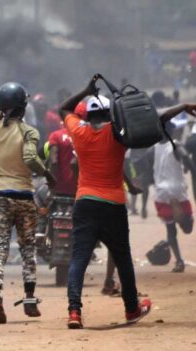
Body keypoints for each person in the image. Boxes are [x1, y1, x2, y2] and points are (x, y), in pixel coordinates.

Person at [60, 75, 151, 329]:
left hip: (85, 202)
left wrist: (85, 90)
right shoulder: (119, 134)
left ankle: (74, 312)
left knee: (79, 258)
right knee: (122, 257)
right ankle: (132, 309)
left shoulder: (78, 131)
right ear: (110, 114)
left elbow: (64, 108)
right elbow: (149, 120)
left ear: (87, 116)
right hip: (113, 204)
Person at [0, 83, 56, 324]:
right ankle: (29, 300)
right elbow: (29, 158)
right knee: (27, 249)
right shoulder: (29, 132)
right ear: (24, 107)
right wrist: (46, 173)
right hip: (24, 196)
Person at [151, 103, 196, 273]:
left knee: (171, 231)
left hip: (162, 193)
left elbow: (148, 171)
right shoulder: (176, 144)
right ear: (170, 130)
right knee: (188, 228)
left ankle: (179, 262)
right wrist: (188, 168)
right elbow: (190, 163)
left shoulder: (153, 148)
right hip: (178, 190)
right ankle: (184, 220)